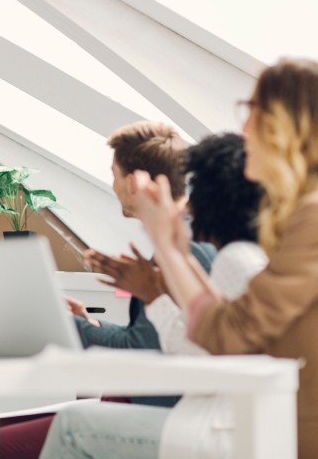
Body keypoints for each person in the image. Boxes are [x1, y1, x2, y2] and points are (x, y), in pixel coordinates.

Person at [130, 58, 318, 458]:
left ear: (287, 124)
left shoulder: (312, 218)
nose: (244, 127)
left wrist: (166, 247)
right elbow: (237, 330)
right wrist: (177, 252)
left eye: (252, 110)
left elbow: (230, 336)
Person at [39, 132, 267, 459]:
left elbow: (161, 350)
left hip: (209, 424)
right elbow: (193, 342)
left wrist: (69, 326)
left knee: (71, 425)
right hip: (209, 416)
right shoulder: (221, 254)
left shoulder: (222, 257)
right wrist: (136, 301)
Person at [73, 121, 215, 407]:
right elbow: (155, 337)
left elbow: (140, 350)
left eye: (114, 174)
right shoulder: (190, 237)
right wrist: (92, 323)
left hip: (172, 416)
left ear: (131, 182)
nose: (113, 185)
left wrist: (68, 326)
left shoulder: (183, 250)